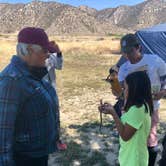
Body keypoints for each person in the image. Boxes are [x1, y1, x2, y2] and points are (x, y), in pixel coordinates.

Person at [0, 27, 59, 166]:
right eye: (45, 51)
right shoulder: (12, 80)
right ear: (30, 50)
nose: (48, 55)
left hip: (38, 155)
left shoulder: (32, 72)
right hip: (25, 159)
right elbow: (2, 135)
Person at [118, 34, 166, 166]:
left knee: (150, 138)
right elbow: (122, 92)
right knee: (133, 140)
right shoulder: (123, 69)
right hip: (131, 109)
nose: (128, 56)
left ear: (138, 47)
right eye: (125, 53)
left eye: (130, 52)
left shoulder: (154, 61)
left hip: (151, 107)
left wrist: (163, 92)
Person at [99, 71, 153, 166]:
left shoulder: (137, 109)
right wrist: (112, 109)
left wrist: (114, 114)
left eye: (125, 88)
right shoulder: (140, 105)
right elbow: (127, 119)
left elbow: (125, 136)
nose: (123, 91)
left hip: (134, 160)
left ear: (134, 90)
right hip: (130, 155)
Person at [44, 41, 67, 150]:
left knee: (55, 116)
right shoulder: (34, 57)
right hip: (38, 92)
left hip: (52, 91)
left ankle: (56, 140)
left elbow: (59, 65)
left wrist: (58, 52)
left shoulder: (50, 56)